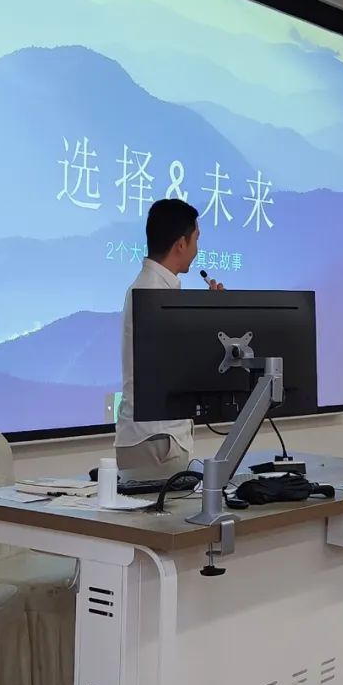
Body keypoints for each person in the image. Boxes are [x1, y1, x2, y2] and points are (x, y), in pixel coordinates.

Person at [114, 198, 224, 479]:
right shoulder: (154, 293)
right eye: (196, 239)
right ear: (181, 244)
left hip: (156, 438)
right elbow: (181, 364)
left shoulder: (154, 288)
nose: (197, 250)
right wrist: (214, 318)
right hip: (156, 439)